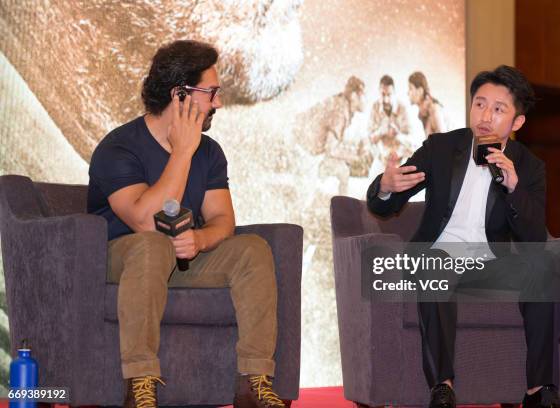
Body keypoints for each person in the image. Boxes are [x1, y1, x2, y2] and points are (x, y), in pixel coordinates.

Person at [87, 40, 285, 408]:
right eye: (211, 93)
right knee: (152, 244)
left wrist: (200, 239)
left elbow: (224, 219)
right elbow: (146, 221)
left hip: (182, 260)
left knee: (253, 249)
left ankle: (254, 385)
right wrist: (181, 151)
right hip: (122, 261)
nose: (219, 103)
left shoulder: (210, 152)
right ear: (180, 95)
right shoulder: (118, 148)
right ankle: (140, 384)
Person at [367, 65, 560, 408]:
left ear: (517, 122)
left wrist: (514, 186)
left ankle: (538, 392)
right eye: (479, 104)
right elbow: (387, 205)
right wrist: (385, 187)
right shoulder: (442, 148)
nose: (485, 116)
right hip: (438, 257)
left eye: (499, 109)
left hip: (490, 265)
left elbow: (534, 237)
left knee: (543, 267)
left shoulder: (529, 167)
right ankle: (442, 387)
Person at [293, 75, 372, 194]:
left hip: (304, 149)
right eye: (364, 95)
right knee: (303, 201)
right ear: (354, 96)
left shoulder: (342, 105)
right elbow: (331, 149)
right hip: (301, 152)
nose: (367, 99)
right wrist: (356, 157)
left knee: (343, 171)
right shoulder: (340, 111)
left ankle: (344, 207)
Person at [408, 71, 447, 137]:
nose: (408, 92)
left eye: (410, 88)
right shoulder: (423, 112)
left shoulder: (434, 110)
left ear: (420, 91)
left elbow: (445, 142)